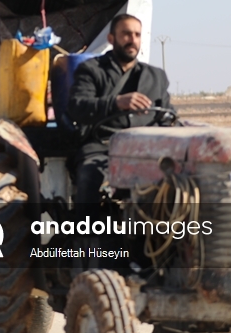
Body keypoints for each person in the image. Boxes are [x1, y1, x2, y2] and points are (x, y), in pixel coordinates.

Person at [66, 14, 172, 215]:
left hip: (146, 150)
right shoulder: (91, 70)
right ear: (111, 38)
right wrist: (116, 103)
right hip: (101, 147)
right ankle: (88, 239)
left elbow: (168, 116)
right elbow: (77, 106)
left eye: (137, 35)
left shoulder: (156, 77)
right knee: (89, 176)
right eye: (126, 34)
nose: (132, 39)